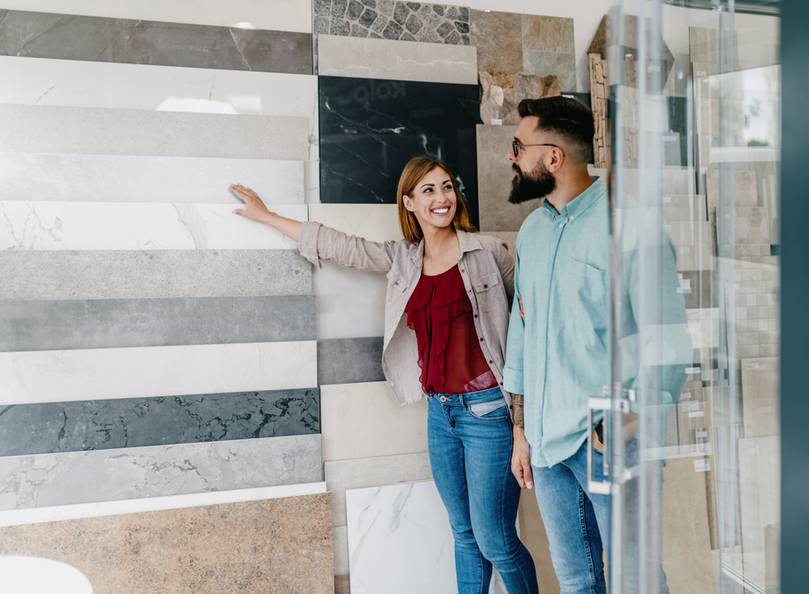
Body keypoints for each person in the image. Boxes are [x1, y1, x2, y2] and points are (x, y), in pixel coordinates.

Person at [230, 155, 538, 594]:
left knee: (496, 540)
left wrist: (523, 425)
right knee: (464, 534)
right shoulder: (404, 260)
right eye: (428, 190)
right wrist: (266, 216)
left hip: (489, 413)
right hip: (441, 414)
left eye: (447, 187)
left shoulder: (488, 252)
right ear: (409, 203)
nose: (442, 198)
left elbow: (527, 333)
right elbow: (342, 246)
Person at [503, 96, 691, 594]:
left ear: (554, 157)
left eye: (518, 147)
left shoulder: (632, 227)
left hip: (608, 442)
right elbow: (521, 335)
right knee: (576, 581)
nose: (511, 157)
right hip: (547, 446)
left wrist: (631, 416)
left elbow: (668, 340)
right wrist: (521, 431)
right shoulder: (531, 232)